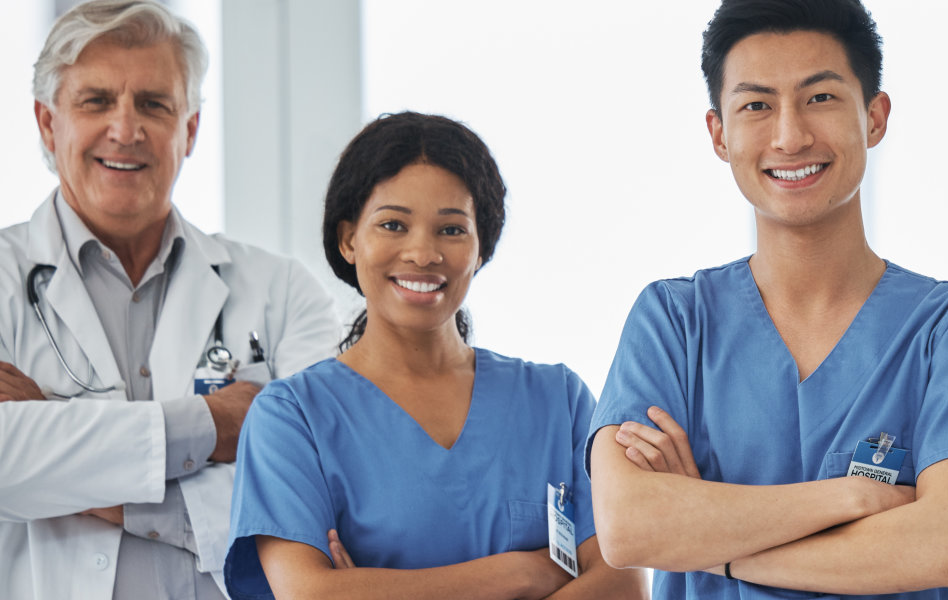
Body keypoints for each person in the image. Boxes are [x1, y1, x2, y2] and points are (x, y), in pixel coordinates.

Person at [585, 1, 948, 598]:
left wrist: (711, 545)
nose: (790, 135)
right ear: (718, 134)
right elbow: (630, 529)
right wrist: (852, 499)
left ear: (875, 116)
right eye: (757, 105)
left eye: (820, 98)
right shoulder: (674, 322)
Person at [0, 1, 341, 598]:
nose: (126, 129)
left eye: (154, 104)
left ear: (189, 130)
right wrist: (215, 425)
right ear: (48, 123)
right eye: (96, 101)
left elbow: (321, 494)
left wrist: (55, 434)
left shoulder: (283, 291)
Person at [222, 112, 645, 600]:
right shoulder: (292, 418)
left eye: (451, 230)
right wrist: (524, 573)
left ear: (481, 247)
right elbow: (310, 593)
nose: (422, 253)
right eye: (393, 224)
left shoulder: (558, 401)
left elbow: (623, 584)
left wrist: (374, 589)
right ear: (348, 240)